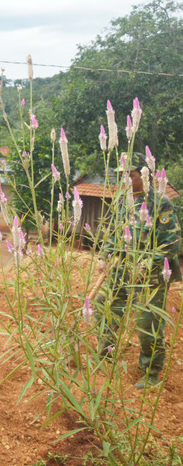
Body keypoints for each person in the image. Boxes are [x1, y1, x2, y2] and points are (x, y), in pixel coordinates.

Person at [94, 152, 181, 389]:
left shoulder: (160, 202)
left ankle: (151, 372)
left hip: (151, 277)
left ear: (143, 175)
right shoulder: (123, 201)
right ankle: (106, 354)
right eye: (122, 176)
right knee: (103, 307)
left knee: (147, 324)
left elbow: (172, 242)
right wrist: (105, 255)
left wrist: (146, 264)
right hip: (122, 271)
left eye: (130, 175)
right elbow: (114, 233)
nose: (126, 181)